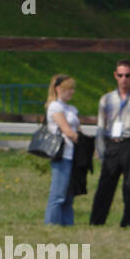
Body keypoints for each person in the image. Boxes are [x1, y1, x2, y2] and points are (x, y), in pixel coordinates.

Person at [90, 59, 130, 228]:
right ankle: (96, 220)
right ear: (115, 76)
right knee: (105, 185)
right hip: (112, 145)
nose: (124, 79)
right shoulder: (106, 99)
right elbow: (101, 128)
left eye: (127, 75)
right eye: (120, 75)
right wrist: (101, 152)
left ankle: (128, 221)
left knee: (129, 186)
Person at [44, 73, 80, 226]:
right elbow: (67, 130)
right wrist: (80, 139)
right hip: (61, 153)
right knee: (58, 192)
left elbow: (78, 128)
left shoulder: (71, 108)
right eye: (67, 89)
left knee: (68, 193)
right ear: (58, 89)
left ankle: (67, 223)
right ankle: (52, 222)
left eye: (72, 89)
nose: (70, 92)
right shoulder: (55, 106)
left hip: (72, 154)